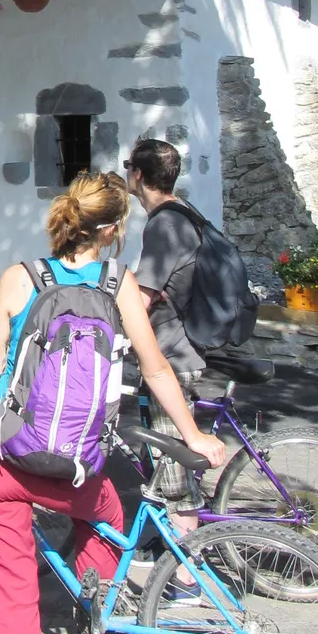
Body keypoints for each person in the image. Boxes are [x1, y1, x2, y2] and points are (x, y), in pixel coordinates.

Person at [0, 172, 227, 634]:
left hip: (2, 459)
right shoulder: (118, 283)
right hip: (74, 467)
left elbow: (0, 377)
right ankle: (93, 619)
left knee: (12, 602)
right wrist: (192, 435)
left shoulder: (20, 276)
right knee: (108, 519)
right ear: (111, 230)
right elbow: (155, 369)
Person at [125, 139, 206, 535]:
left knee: (174, 469)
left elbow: (141, 299)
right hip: (186, 344)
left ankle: (186, 575)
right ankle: (161, 539)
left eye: (129, 169)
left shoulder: (164, 224)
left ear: (137, 175)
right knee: (160, 449)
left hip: (172, 353)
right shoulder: (183, 211)